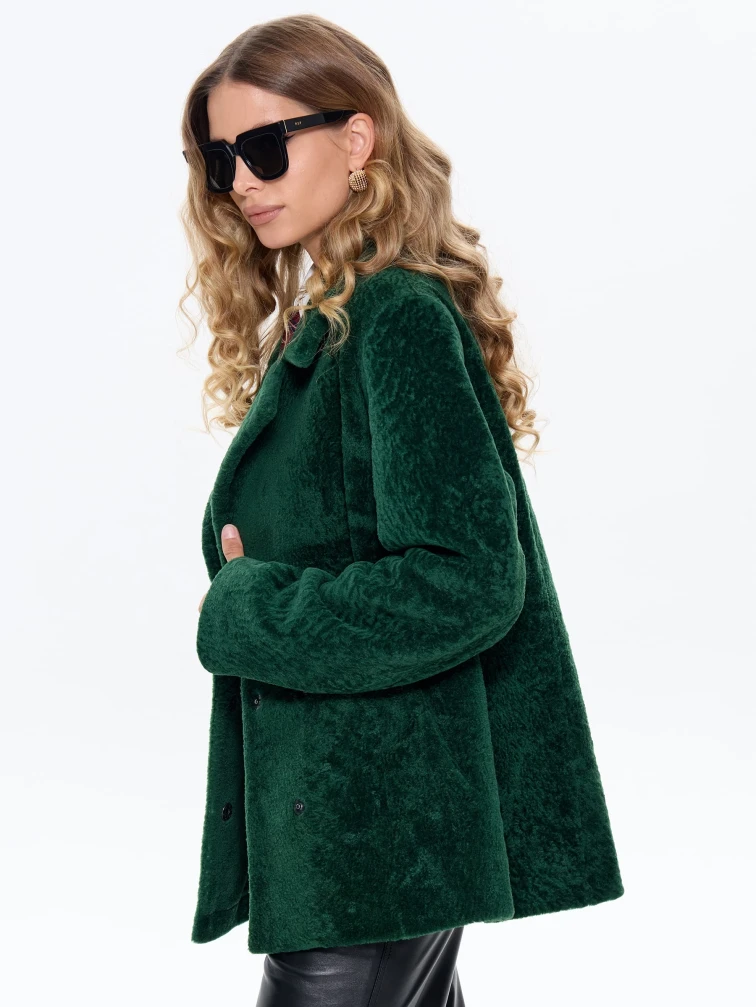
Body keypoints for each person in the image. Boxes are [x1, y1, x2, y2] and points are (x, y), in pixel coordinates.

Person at [179, 13, 624, 1007]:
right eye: (220, 158)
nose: (240, 179)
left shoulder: (394, 317)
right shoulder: (335, 315)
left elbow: (470, 578)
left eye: (264, 146)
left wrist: (252, 607)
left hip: (375, 832)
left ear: (357, 138)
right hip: (359, 826)